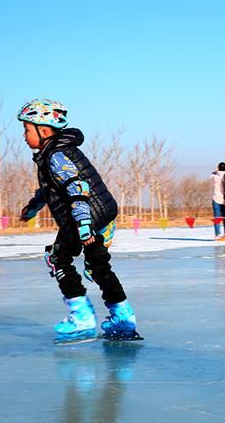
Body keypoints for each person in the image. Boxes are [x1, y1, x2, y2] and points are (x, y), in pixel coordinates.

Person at [18, 99, 142, 343]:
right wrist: (33, 208)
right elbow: (50, 189)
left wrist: (84, 224)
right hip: (101, 211)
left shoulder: (55, 154)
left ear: (43, 131)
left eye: (26, 130)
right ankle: (123, 318)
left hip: (83, 215)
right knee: (98, 265)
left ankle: (82, 316)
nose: (24, 136)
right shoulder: (59, 151)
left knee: (57, 258)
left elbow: (76, 187)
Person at [211, 162, 225, 240]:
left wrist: (216, 170)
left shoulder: (214, 176)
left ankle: (217, 235)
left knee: (217, 218)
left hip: (216, 198)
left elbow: (212, 173)